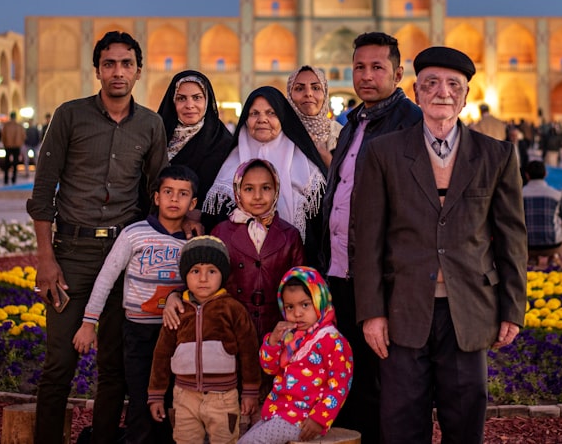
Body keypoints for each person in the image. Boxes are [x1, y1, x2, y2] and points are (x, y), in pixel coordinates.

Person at [351, 45, 527, 444]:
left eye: (452, 85)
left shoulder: (495, 155)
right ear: (416, 92)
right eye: (431, 83)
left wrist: (512, 309)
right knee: (401, 421)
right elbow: (369, 238)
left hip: (468, 309)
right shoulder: (385, 153)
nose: (441, 92)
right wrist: (372, 312)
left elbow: (512, 239)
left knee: (465, 420)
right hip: (403, 310)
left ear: (465, 96)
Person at [28, 31, 168, 444]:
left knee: (114, 366)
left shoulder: (151, 124)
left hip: (124, 258)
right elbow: (42, 193)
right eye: (110, 64)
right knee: (59, 364)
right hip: (72, 255)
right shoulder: (70, 116)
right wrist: (45, 257)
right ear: (98, 70)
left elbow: (156, 191)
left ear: (138, 71)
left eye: (126, 64)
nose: (118, 72)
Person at [315, 31, 421, 444]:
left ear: (397, 73)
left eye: (378, 67)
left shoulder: (411, 124)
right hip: (341, 272)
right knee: (349, 378)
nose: (366, 75)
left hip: (381, 279)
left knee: (386, 386)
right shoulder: (352, 124)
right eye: (360, 67)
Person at [72, 165, 197, 444]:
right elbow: (106, 277)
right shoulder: (134, 233)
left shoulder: (193, 242)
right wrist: (88, 323)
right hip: (138, 333)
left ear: (193, 203)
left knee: (167, 402)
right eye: (168, 192)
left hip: (175, 335)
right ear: (155, 197)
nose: (174, 199)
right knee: (141, 401)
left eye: (182, 194)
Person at [147, 235, 260, 444]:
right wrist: (156, 394)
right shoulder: (178, 310)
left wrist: (250, 391)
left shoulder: (232, 309)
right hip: (184, 396)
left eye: (212, 271)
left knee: (226, 440)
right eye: (195, 271)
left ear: (223, 275)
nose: (203, 278)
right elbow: (162, 354)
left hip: (224, 397)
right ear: (185, 275)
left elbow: (249, 352)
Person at [238, 266, 353, 444]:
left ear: (319, 301)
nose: (297, 313)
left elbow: (339, 386)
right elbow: (269, 368)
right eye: (290, 307)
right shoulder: (290, 336)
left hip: (303, 420)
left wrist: (319, 420)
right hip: (277, 414)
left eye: (305, 305)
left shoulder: (332, 340)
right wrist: (273, 341)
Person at [203, 86, 326, 245]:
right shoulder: (228, 165)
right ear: (246, 120)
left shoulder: (308, 171)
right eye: (254, 113)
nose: (262, 119)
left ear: (283, 118)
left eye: (271, 113)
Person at [210, 159, 305, 350]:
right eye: (249, 189)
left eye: (266, 188)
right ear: (237, 191)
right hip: (232, 326)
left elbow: (299, 283)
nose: (258, 196)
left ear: (276, 189)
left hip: (277, 328)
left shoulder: (290, 235)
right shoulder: (221, 233)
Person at [156, 70, 234, 209]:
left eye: (197, 98)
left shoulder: (222, 142)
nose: (189, 105)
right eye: (181, 98)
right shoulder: (158, 136)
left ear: (207, 100)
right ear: (172, 101)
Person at [523, 160, 562, 268]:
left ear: (527, 175)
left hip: (526, 245)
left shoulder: (519, 195)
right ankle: (554, 256)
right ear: (545, 174)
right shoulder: (555, 194)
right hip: (552, 245)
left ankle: (531, 258)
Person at [287, 65, 341, 168]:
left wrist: (328, 160)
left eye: (316, 88)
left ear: (325, 93)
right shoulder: (282, 135)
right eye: (299, 88)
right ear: (290, 94)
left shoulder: (342, 134)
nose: (308, 94)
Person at [1, 111, 25, 185]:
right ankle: (14, 178)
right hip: (16, 146)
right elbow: (23, 136)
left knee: (7, 163)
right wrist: (20, 144)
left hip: (8, 146)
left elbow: (3, 136)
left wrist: (5, 144)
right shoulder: (19, 126)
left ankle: (6, 179)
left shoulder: (6, 126)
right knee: (15, 164)